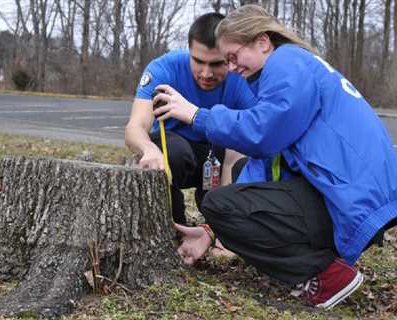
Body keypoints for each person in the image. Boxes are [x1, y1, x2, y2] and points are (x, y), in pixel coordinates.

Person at [152, 4, 397, 309]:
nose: (230, 68)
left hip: (353, 198)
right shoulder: (295, 67)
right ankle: (324, 262)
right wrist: (211, 232)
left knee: (219, 202)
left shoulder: (287, 62)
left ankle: (328, 275)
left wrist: (198, 116)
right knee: (237, 183)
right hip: (353, 194)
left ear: (263, 41)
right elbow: (268, 158)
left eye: (233, 56)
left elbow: (262, 133)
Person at [125, 12, 256, 225]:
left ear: (230, 58)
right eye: (198, 61)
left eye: (216, 64)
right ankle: (172, 225)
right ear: (189, 51)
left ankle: (215, 224)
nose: (206, 73)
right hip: (173, 150)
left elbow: (247, 141)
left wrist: (217, 222)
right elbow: (134, 128)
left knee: (242, 163)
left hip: (217, 153)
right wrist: (148, 149)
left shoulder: (242, 76)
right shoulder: (163, 68)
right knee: (174, 153)